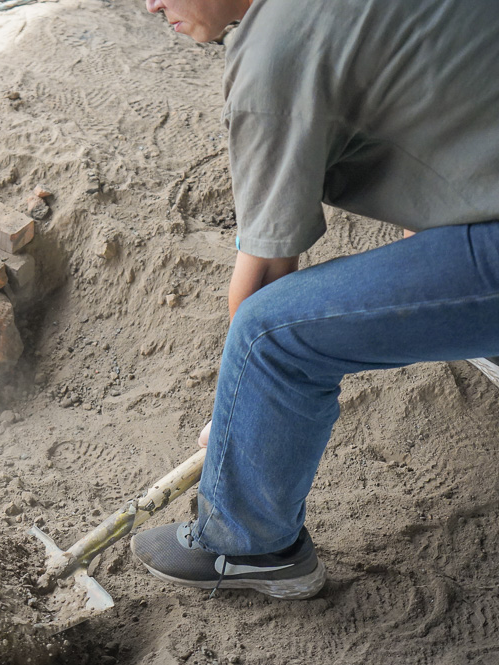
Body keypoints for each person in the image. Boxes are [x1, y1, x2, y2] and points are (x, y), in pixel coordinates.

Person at [131, 0, 499, 599]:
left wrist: (237, 416)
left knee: (268, 338)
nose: (151, 4)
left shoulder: (273, 53)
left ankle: (248, 544)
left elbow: (267, 270)